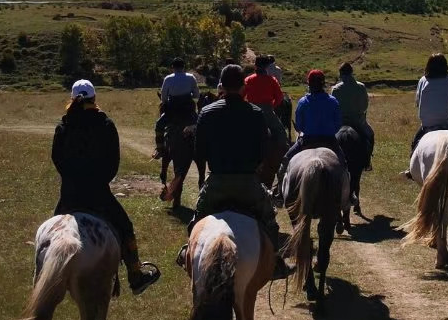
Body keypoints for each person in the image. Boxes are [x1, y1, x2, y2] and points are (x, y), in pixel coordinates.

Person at [179, 63, 289, 276]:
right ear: (243, 87)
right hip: (248, 183)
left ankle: (187, 253)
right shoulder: (256, 113)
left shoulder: (207, 112)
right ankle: (275, 261)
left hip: (217, 182)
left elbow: (199, 152)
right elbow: (263, 152)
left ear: (222, 86)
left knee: (196, 223)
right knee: (270, 222)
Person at [51, 80, 160, 294]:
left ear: (72, 98)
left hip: (70, 195)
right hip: (99, 194)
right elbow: (113, 162)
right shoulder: (106, 125)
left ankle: (41, 276)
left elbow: (57, 158)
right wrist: (101, 181)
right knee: (125, 226)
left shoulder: (63, 126)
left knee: (50, 233)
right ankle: (135, 275)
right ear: (94, 98)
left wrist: (71, 179)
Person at [274, 69, 348, 192]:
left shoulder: (303, 102)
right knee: (344, 165)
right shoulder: (333, 101)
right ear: (323, 84)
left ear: (309, 84)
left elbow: (299, 125)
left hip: (307, 140)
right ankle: (350, 195)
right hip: (329, 141)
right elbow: (338, 124)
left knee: (285, 160)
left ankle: (279, 193)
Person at [409, 54, 448, 159]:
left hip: (428, 123)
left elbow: (417, 101)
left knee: (415, 143)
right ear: (445, 66)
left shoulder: (423, 80)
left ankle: (410, 168)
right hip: (447, 122)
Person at [153, 57, 199, 159]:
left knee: (159, 125)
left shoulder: (168, 78)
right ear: (184, 67)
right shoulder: (191, 77)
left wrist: (166, 103)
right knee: (199, 125)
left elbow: (164, 97)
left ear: (172, 67)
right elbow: (196, 95)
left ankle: (160, 149)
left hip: (172, 112)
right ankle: (202, 149)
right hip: (188, 111)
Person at [244, 54, 289, 160]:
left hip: (251, 111)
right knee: (281, 132)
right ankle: (284, 158)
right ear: (266, 66)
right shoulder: (272, 80)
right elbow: (279, 97)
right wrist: (271, 106)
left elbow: (241, 96)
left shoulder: (248, 80)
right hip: (268, 112)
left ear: (255, 66)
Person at [331, 62, 375, 168]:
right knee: (370, 135)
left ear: (341, 74)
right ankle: (367, 161)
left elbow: (333, 108)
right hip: (358, 122)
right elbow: (364, 106)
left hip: (340, 123)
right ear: (352, 72)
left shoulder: (336, 89)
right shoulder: (361, 87)